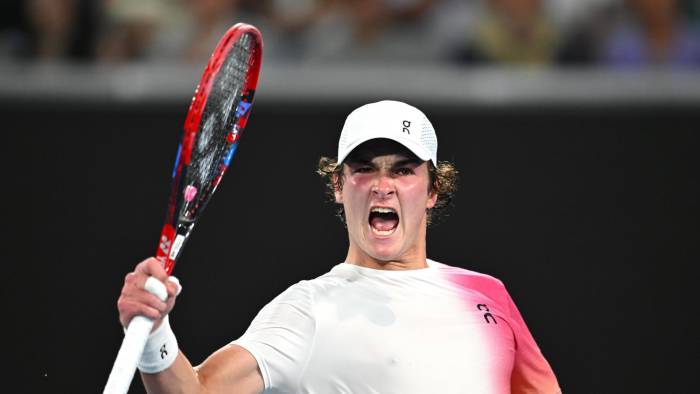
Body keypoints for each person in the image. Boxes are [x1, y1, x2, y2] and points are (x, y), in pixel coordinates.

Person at [117, 100, 561, 393]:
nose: (383, 187)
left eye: (403, 171)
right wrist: (153, 333)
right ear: (338, 184)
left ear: (432, 190)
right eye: (364, 169)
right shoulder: (308, 309)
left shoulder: (488, 294)